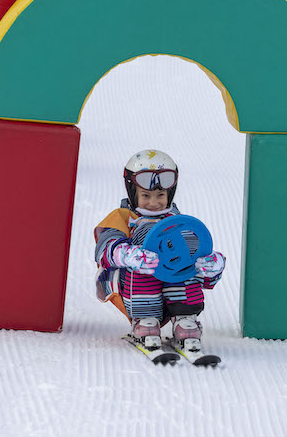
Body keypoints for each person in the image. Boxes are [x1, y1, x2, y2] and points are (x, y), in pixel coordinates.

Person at [94, 150, 226, 351]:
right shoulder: (123, 217)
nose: (154, 203)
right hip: (134, 288)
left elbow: (201, 275)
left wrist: (210, 267)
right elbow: (104, 248)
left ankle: (185, 319)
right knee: (145, 243)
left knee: (186, 253)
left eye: (160, 196)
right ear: (133, 193)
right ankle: (145, 321)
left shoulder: (179, 224)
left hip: (171, 290)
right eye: (146, 196)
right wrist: (127, 254)